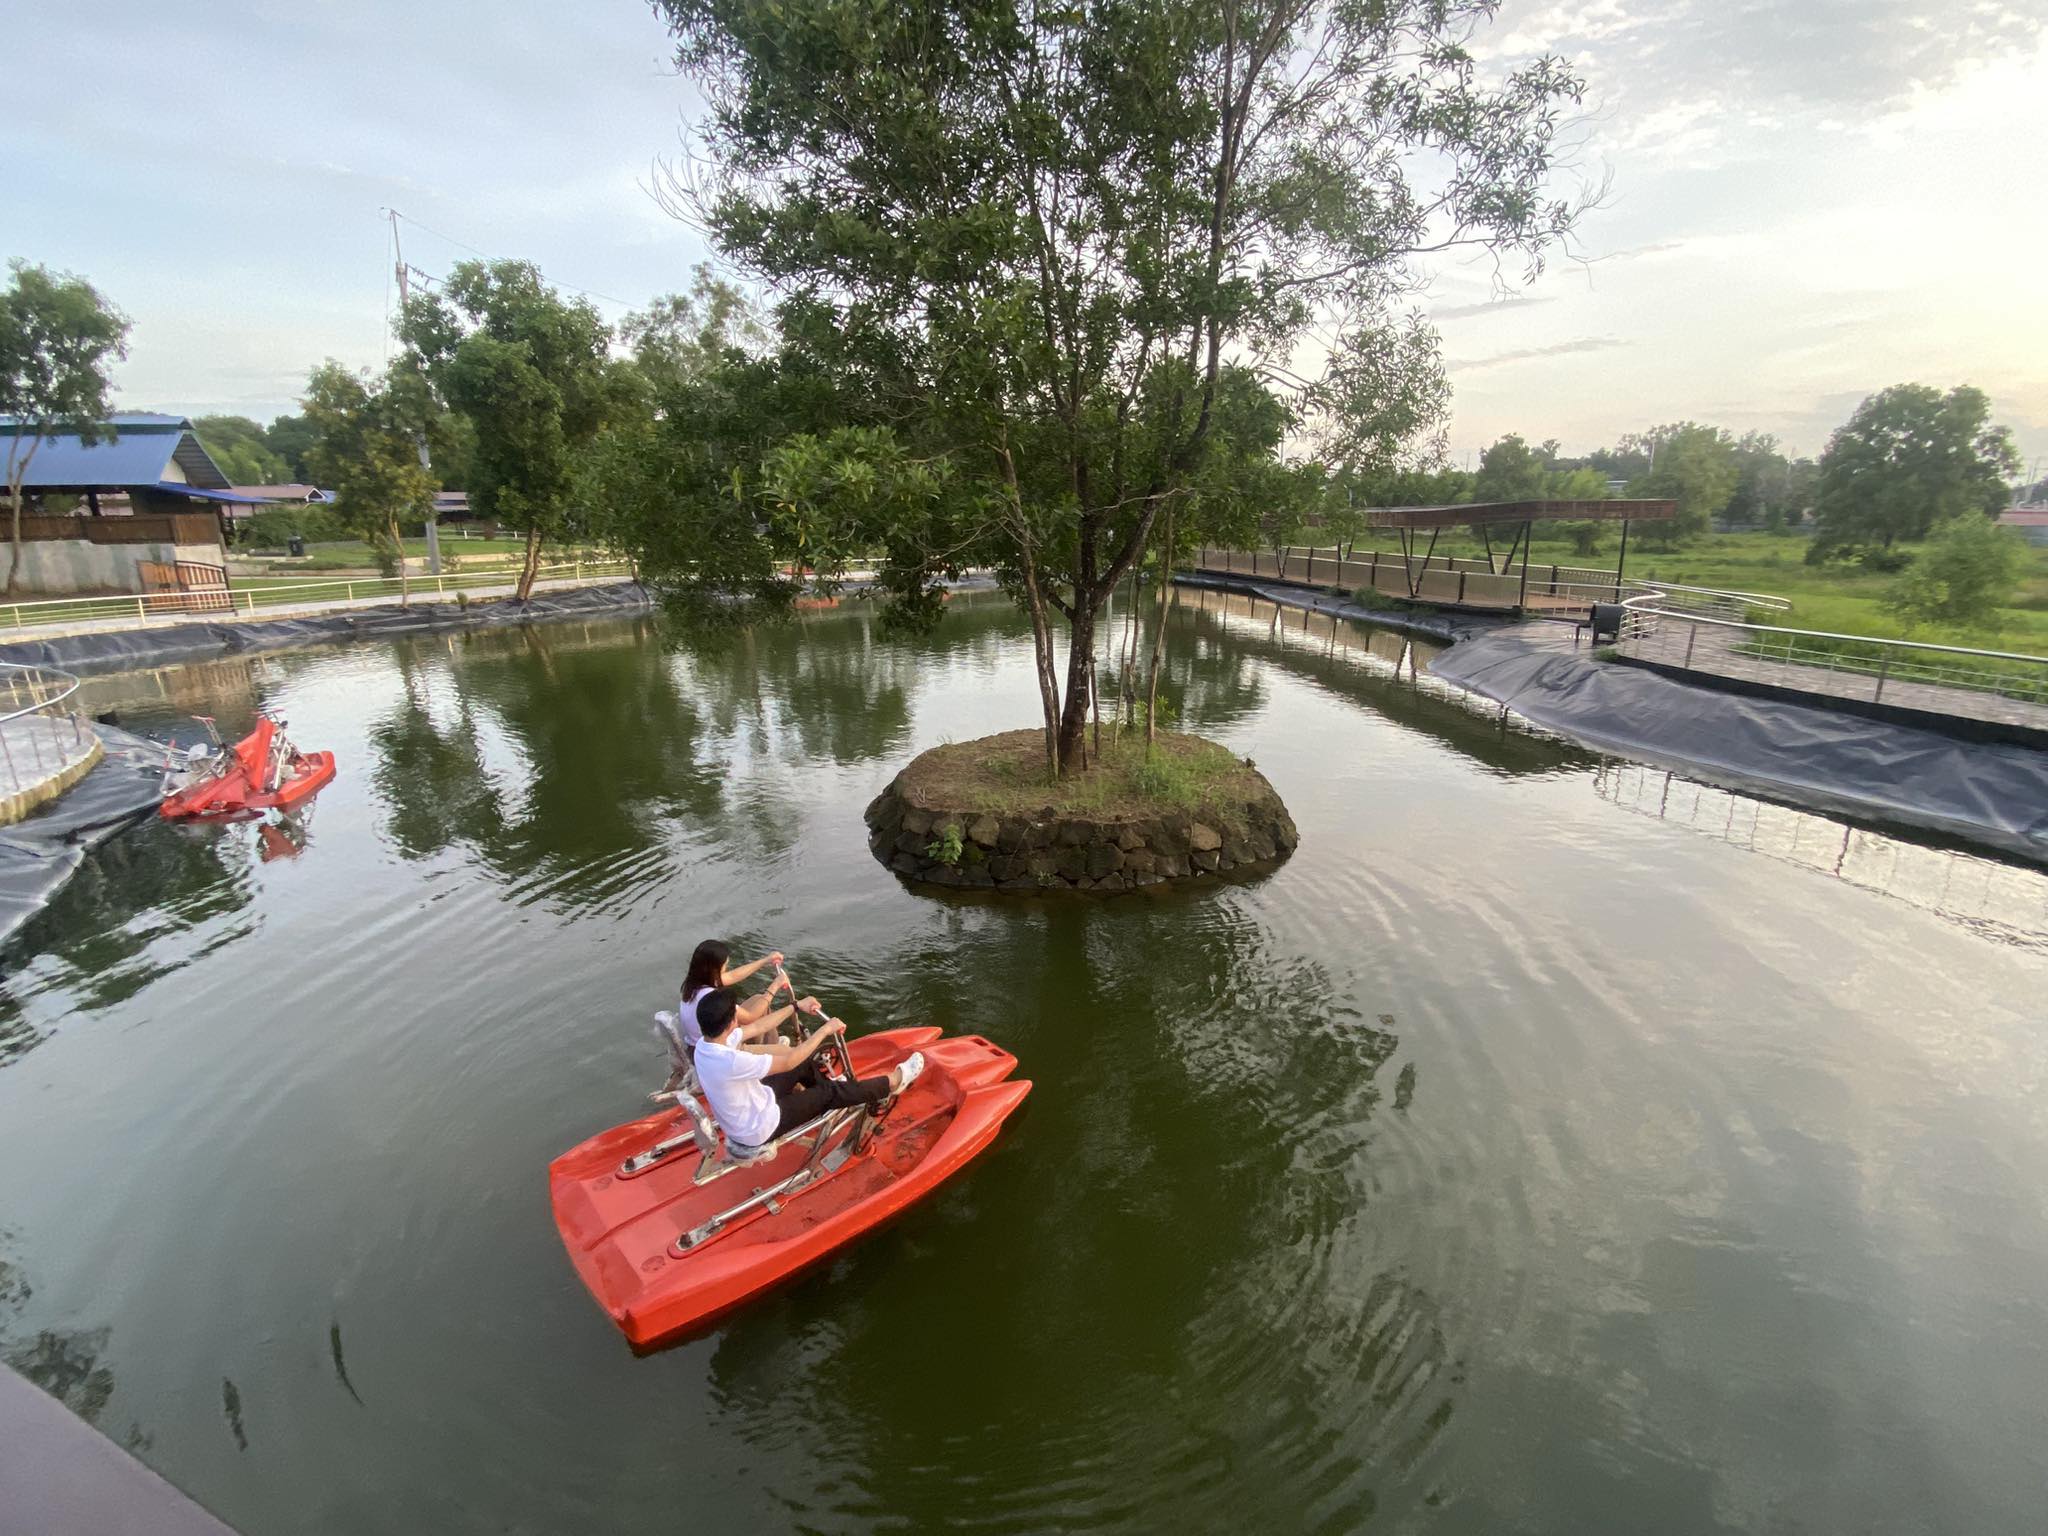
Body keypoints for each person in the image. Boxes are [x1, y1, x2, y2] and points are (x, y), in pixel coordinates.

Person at [692, 987, 924, 1149]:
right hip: (759, 1128)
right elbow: (788, 1060)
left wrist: (795, 1006)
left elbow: (758, 1025)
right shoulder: (729, 1061)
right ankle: (892, 1082)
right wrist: (825, 1030)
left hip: (752, 1108)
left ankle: (836, 1098)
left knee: (804, 1066)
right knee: (825, 1090)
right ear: (732, 1022)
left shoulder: (707, 1044)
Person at [679, 940, 787, 1046]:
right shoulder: (712, 998)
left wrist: (766, 960)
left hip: (697, 1042)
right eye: (725, 965)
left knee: (759, 1000)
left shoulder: (694, 983)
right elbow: (750, 1017)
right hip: (714, 1047)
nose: (726, 969)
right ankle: (773, 1047)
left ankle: (771, 1043)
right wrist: (775, 986)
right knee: (761, 1007)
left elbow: (733, 975)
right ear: (715, 969)